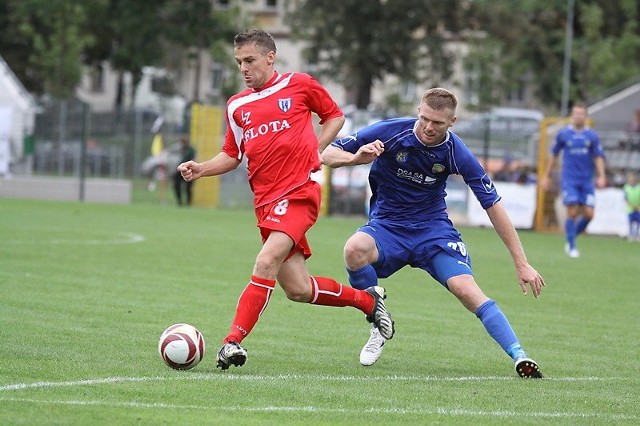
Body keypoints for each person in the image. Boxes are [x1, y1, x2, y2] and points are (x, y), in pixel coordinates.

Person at [177, 29, 394, 370]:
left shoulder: (300, 84)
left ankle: (231, 342)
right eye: (238, 63)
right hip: (265, 204)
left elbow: (334, 116)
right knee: (298, 289)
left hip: (298, 194)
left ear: (270, 57)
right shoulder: (237, 105)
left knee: (265, 263)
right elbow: (232, 155)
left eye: (249, 60)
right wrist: (201, 168)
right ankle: (367, 301)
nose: (244, 69)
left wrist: (316, 148)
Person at [321, 88, 545, 379]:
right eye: (424, 118)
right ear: (418, 111)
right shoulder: (391, 132)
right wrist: (356, 159)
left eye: (437, 123)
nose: (428, 127)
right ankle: (378, 322)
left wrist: (521, 262)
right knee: (354, 249)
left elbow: (493, 205)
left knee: (467, 289)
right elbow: (326, 152)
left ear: (452, 121)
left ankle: (520, 357)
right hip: (388, 227)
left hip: (433, 232)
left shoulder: (457, 152)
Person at [541, 103, 606, 258]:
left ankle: (571, 237)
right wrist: (546, 176)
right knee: (572, 210)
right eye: (576, 113)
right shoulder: (563, 134)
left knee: (589, 214)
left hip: (586, 181)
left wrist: (602, 176)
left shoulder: (592, 136)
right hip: (569, 179)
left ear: (586, 116)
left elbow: (598, 157)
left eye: (581, 113)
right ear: (572, 115)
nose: (578, 116)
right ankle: (571, 245)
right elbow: (553, 156)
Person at [172, 136, 196, 206]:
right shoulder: (181, 150)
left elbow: (193, 159)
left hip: (189, 170)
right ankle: (179, 201)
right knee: (176, 184)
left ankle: (188, 202)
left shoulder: (190, 150)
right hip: (180, 171)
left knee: (188, 188)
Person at [623, 171, 640, 241]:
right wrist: (631, 205)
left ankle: (637, 235)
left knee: (638, 222)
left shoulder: (639, 187)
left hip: (638, 207)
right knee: (630, 221)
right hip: (630, 208)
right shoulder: (626, 187)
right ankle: (631, 235)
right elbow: (625, 198)